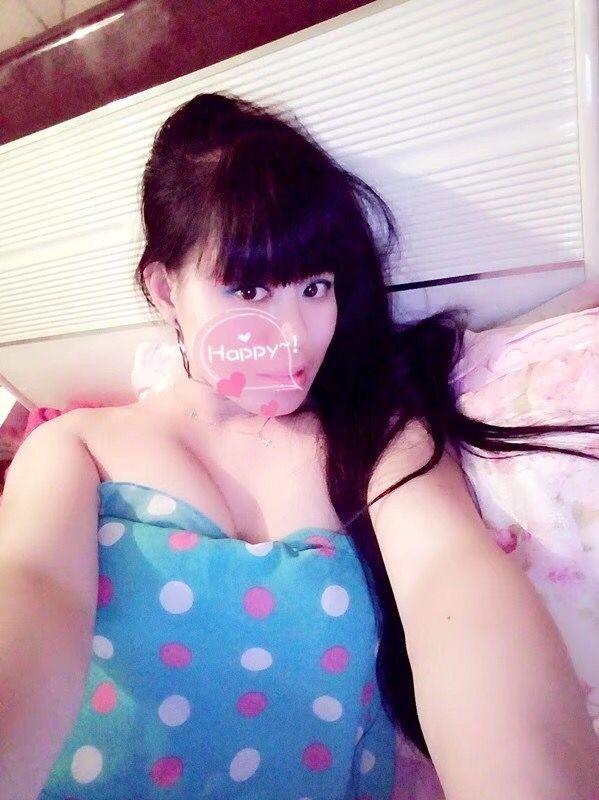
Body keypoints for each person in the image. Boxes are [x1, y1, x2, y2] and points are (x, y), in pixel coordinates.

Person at [1, 91, 598, 800]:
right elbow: (32, 593)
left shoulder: (378, 441)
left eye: (315, 286)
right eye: (249, 291)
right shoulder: (73, 450)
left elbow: (452, 582)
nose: (293, 335)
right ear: (164, 290)